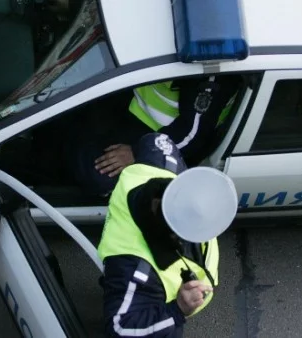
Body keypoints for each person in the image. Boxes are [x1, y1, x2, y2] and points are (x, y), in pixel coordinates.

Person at [97, 132, 238, 338]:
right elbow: (120, 328)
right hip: (155, 297)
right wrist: (177, 311)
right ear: (175, 234)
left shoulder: (157, 166)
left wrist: (131, 152)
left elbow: (155, 139)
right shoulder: (135, 269)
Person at [66, 75, 242, 197]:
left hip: (161, 138)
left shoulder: (210, 72)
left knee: (97, 173)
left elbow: (191, 135)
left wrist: (137, 153)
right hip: (132, 107)